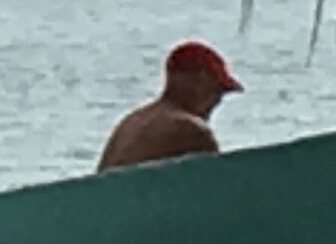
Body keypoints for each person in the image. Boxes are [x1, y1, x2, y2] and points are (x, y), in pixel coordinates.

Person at [99, 41, 241, 171]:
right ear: (199, 83)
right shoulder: (192, 132)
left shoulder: (131, 122)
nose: (217, 102)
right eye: (217, 92)